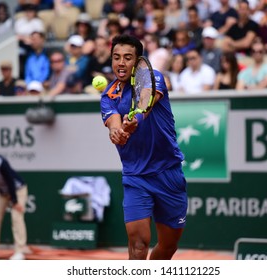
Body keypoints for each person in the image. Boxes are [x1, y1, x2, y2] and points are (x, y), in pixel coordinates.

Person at [100, 34, 187, 260]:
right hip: (135, 176)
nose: (121, 62)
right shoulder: (108, 95)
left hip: (168, 172)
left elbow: (146, 101)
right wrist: (118, 132)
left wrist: (136, 119)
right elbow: (113, 123)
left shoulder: (153, 77)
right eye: (116, 57)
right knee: (138, 245)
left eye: (127, 58)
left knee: (168, 247)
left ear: (138, 62)